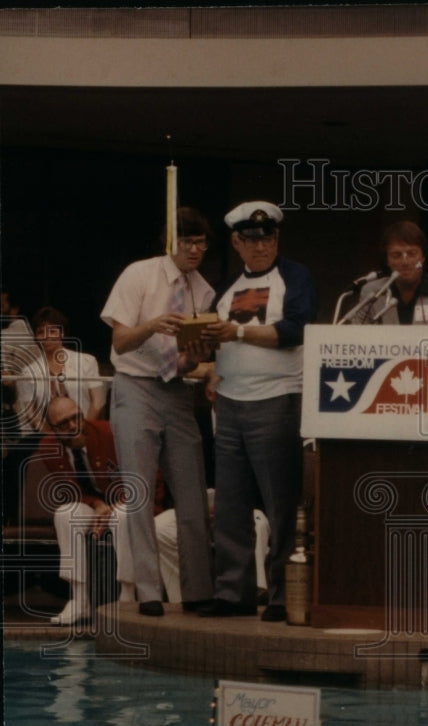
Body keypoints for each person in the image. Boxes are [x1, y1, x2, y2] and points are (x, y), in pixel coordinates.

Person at [198, 201, 317, 620]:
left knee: (280, 502)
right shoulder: (227, 287)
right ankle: (233, 593)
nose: (261, 245)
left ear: (277, 238)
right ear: (236, 242)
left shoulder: (294, 277)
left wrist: (240, 331)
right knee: (230, 503)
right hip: (230, 402)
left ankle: (284, 594)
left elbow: (296, 329)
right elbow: (216, 337)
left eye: (268, 237)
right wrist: (207, 359)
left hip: (277, 398)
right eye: (251, 239)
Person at [100, 207, 214, 617]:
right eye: (187, 242)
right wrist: (153, 325)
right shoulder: (140, 274)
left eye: (201, 243)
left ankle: (197, 590)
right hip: (134, 386)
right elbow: (120, 341)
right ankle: (148, 590)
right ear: (172, 242)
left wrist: (194, 358)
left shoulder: (203, 292)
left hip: (176, 390)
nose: (195, 250)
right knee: (140, 491)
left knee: (192, 491)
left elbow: (183, 364)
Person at [37, 396, 140, 626]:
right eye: (64, 423)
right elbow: (69, 490)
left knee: (122, 515)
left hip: (129, 500)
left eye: (76, 417)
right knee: (65, 514)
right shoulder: (47, 446)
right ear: (51, 429)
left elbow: (142, 476)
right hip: (95, 505)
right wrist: (97, 505)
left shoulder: (109, 432)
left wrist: (112, 507)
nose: (73, 426)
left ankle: (127, 594)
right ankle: (79, 598)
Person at [154, 489, 270, 604]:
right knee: (158, 527)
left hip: (236, 507)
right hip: (190, 507)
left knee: (258, 520)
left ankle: (253, 591)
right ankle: (187, 597)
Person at [357, 221, 428, 335]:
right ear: (387, 261)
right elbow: (355, 341)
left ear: (423, 257)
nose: (405, 262)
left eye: (412, 253)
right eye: (396, 255)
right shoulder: (371, 293)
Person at [14, 307, 106, 437]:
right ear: (36, 337)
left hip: (86, 433)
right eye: (40, 332)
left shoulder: (87, 361)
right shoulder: (28, 372)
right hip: (49, 438)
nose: (46, 336)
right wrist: (52, 436)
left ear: (61, 333)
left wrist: (84, 429)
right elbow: (31, 413)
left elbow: (98, 400)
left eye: (52, 331)